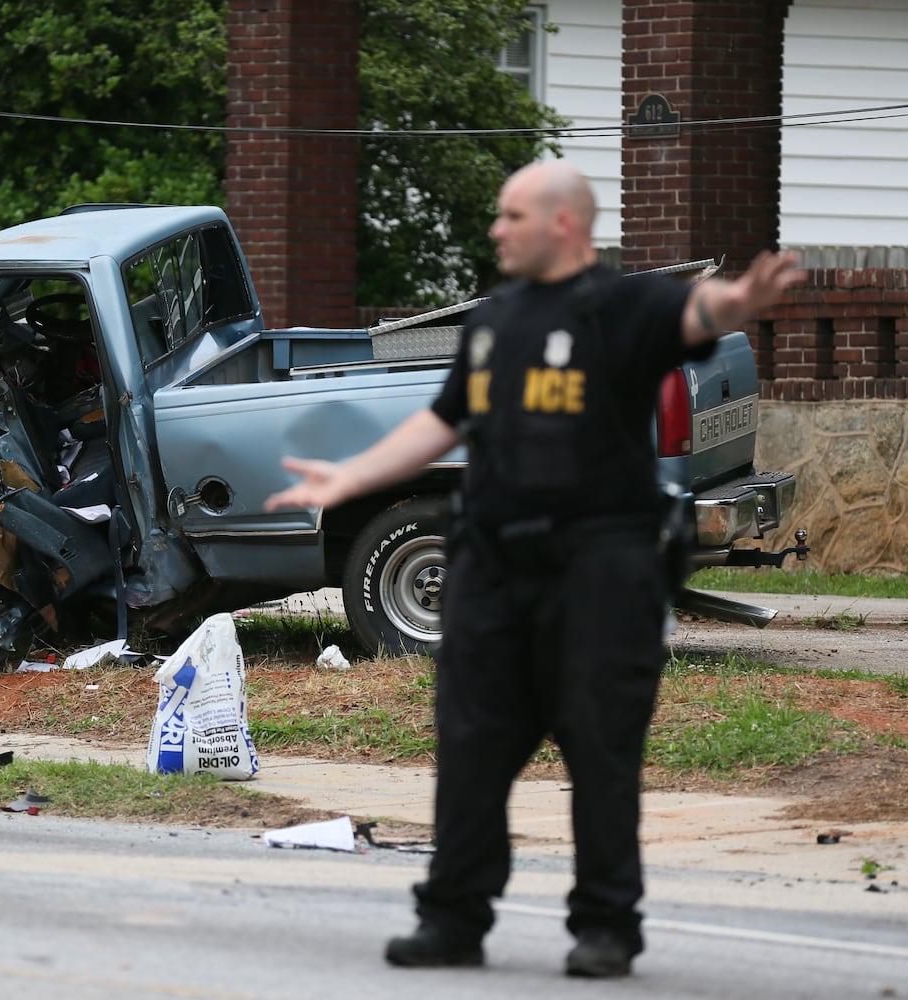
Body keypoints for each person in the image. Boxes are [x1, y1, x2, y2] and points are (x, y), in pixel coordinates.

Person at [264, 160, 803, 978]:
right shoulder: (495, 320)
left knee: (601, 754)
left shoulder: (624, 308)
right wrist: (350, 476)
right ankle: (453, 920)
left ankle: (606, 928)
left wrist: (742, 299)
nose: (497, 230)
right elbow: (444, 421)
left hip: (601, 573)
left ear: (562, 224)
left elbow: (702, 311)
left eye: (512, 215)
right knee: (471, 752)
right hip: (493, 572)